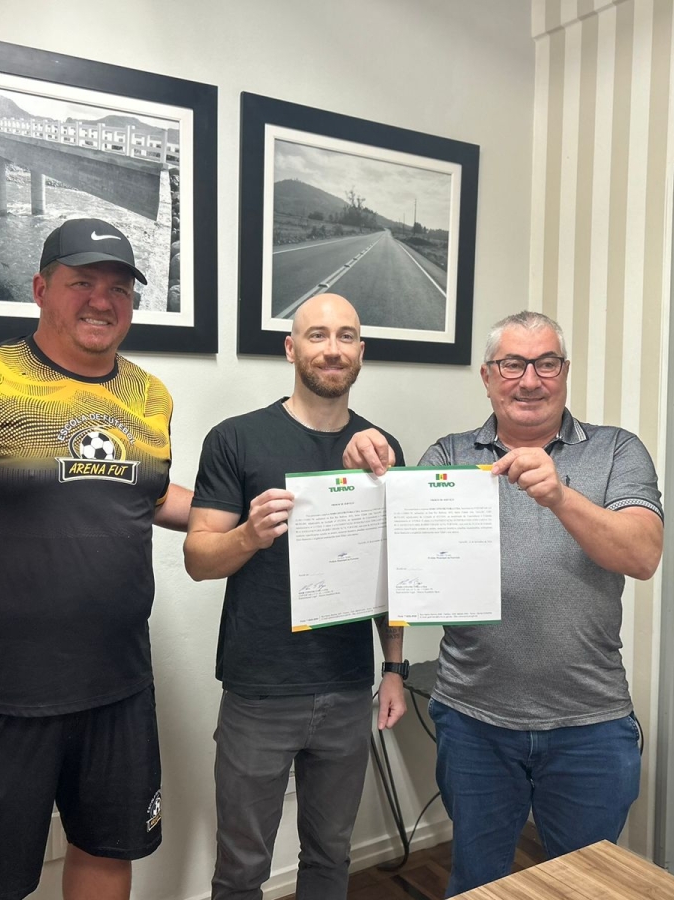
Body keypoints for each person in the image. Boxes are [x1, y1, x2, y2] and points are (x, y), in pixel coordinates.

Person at [0, 218, 192, 900]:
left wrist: (256, 512)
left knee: (107, 852)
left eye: (119, 288)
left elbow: (148, 493)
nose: (102, 301)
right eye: (82, 283)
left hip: (120, 688)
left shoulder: (150, 396)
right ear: (41, 289)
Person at [347, 310, 663, 895]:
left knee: (587, 887)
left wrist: (560, 496)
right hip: (474, 723)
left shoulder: (617, 451)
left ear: (565, 372)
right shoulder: (448, 455)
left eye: (546, 363)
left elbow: (643, 555)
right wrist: (362, 482)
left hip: (590, 724)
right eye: (513, 364)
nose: (530, 380)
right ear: (488, 377)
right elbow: (399, 562)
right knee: (477, 881)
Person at [184, 293, 408, 900]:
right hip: (260, 691)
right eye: (317, 335)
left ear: (360, 351)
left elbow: (392, 573)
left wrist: (393, 669)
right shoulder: (236, 439)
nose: (332, 349)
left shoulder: (380, 451)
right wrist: (248, 535)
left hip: (347, 689)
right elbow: (198, 559)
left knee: (331, 858)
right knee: (241, 869)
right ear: (291, 348)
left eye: (346, 336)